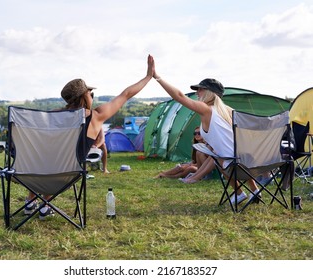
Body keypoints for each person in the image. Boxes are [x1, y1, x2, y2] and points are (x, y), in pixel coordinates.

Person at [24, 54, 155, 219]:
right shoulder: (95, 116)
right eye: (89, 92)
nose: (91, 94)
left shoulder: (51, 116)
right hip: (68, 174)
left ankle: (30, 202)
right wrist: (148, 76)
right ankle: (44, 206)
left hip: (32, 174)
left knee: (46, 157)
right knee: (57, 162)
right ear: (84, 96)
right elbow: (126, 95)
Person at [152, 59, 259, 205]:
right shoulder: (229, 112)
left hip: (234, 164)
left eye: (200, 89)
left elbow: (179, 96)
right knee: (225, 153)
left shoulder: (207, 109)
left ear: (210, 93)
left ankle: (239, 193)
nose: (197, 92)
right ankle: (254, 190)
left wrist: (157, 77)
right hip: (256, 162)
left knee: (220, 156)